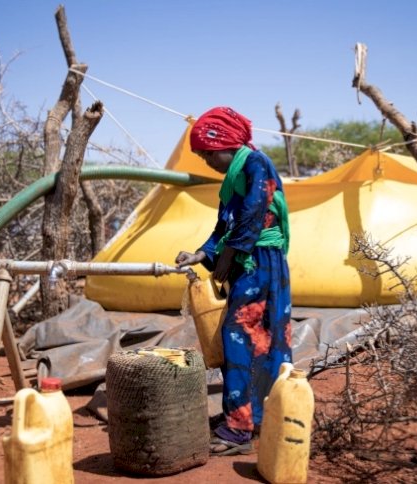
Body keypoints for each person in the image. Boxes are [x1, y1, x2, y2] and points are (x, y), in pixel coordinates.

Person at [175, 106, 292, 456]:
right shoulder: (235, 176)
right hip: (249, 260)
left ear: (225, 144)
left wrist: (227, 258)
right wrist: (203, 254)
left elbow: (253, 216)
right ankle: (255, 417)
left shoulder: (256, 164)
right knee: (259, 337)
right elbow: (224, 226)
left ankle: (240, 428)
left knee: (241, 334)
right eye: (201, 155)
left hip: (260, 261)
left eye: (209, 153)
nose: (206, 160)